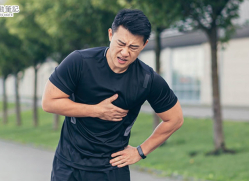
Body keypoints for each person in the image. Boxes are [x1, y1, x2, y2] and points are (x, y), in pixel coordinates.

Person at [42, 9, 184, 181]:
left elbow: (175, 119)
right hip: (68, 165)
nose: (125, 52)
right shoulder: (79, 62)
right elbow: (49, 102)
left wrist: (140, 151)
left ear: (144, 45)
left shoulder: (147, 79)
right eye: (121, 43)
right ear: (110, 34)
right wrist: (96, 110)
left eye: (133, 47)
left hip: (112, 170)